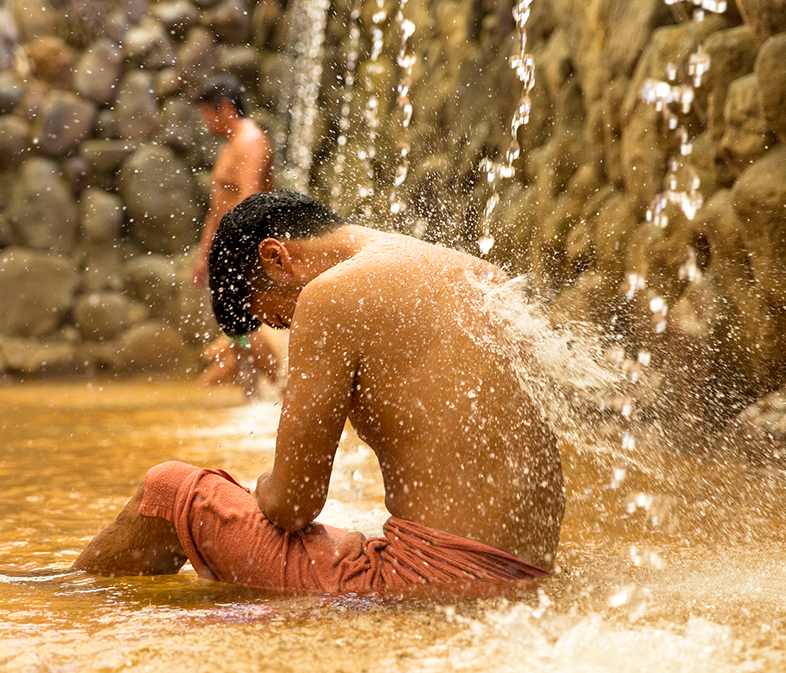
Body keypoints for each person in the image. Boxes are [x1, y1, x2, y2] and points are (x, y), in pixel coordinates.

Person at [72, 191, 564, 597]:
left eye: (275, 317)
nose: (286, 327)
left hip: (434, 580)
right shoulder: (473, 272)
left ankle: (66, 602)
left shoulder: (330, 295)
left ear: (276, 256)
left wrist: (260, 489)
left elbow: (293, 505)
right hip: (525, 574)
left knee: (168, 490)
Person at [191, 77, 280, 390]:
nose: (204, 121)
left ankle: (285, 391)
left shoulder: (251, 142)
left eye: (206, 112)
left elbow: (250, 200)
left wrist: (242, 254)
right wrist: (205, 256)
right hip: (228, 247)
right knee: (238, 329)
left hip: (246, 246)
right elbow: (217, 209)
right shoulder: (231, 146)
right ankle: (251, 403)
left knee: (243, 326)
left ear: (226, 108)